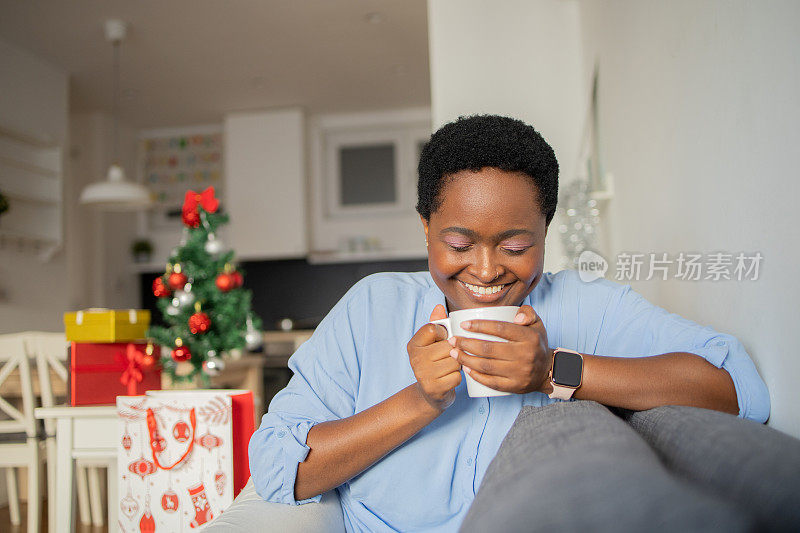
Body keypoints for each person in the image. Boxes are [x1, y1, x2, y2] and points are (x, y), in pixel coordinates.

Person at [248, 114, 770, 532]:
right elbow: (276, 467)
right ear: (425, 228)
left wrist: (555, 371)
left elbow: (738, 389)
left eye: (516, 246)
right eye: (458, 244)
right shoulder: (372, 308)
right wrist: (421, 401)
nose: (486, 269)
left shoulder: (589, 307)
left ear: (546, 231)